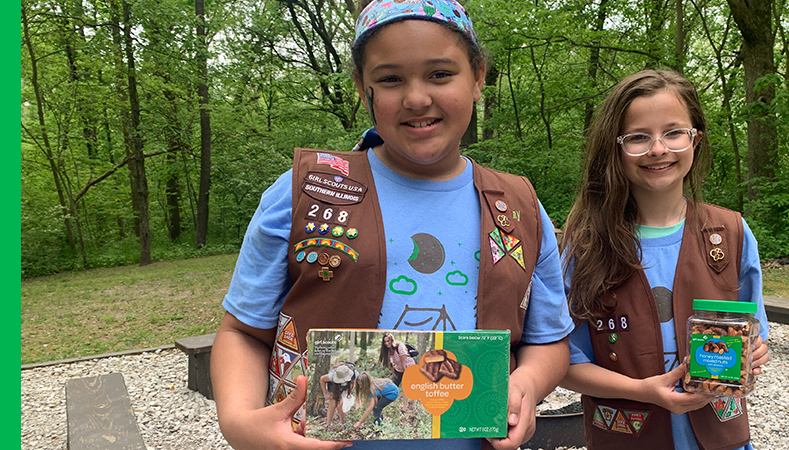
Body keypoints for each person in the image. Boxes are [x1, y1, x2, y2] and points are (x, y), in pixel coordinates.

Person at [210, 1, 573, 449]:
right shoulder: (305, 193)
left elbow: (549, 340)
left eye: (440, 74)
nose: (417, 98)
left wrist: (530, 384)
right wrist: (239, 421)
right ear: (364, 92)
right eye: (390, 79)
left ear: (478, 77)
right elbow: (243, 331)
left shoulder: (519, 206)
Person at [557, 70, 774, 450]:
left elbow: (754, 331)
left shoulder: (731, 233)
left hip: (721, 436)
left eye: (673, 132)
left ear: (696, 140)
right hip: (625, 436)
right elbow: (565, 364)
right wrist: (643, 391)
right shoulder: (587, 245)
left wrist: (754, 351)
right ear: (615, 148)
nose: (658, 149)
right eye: (638, 137)